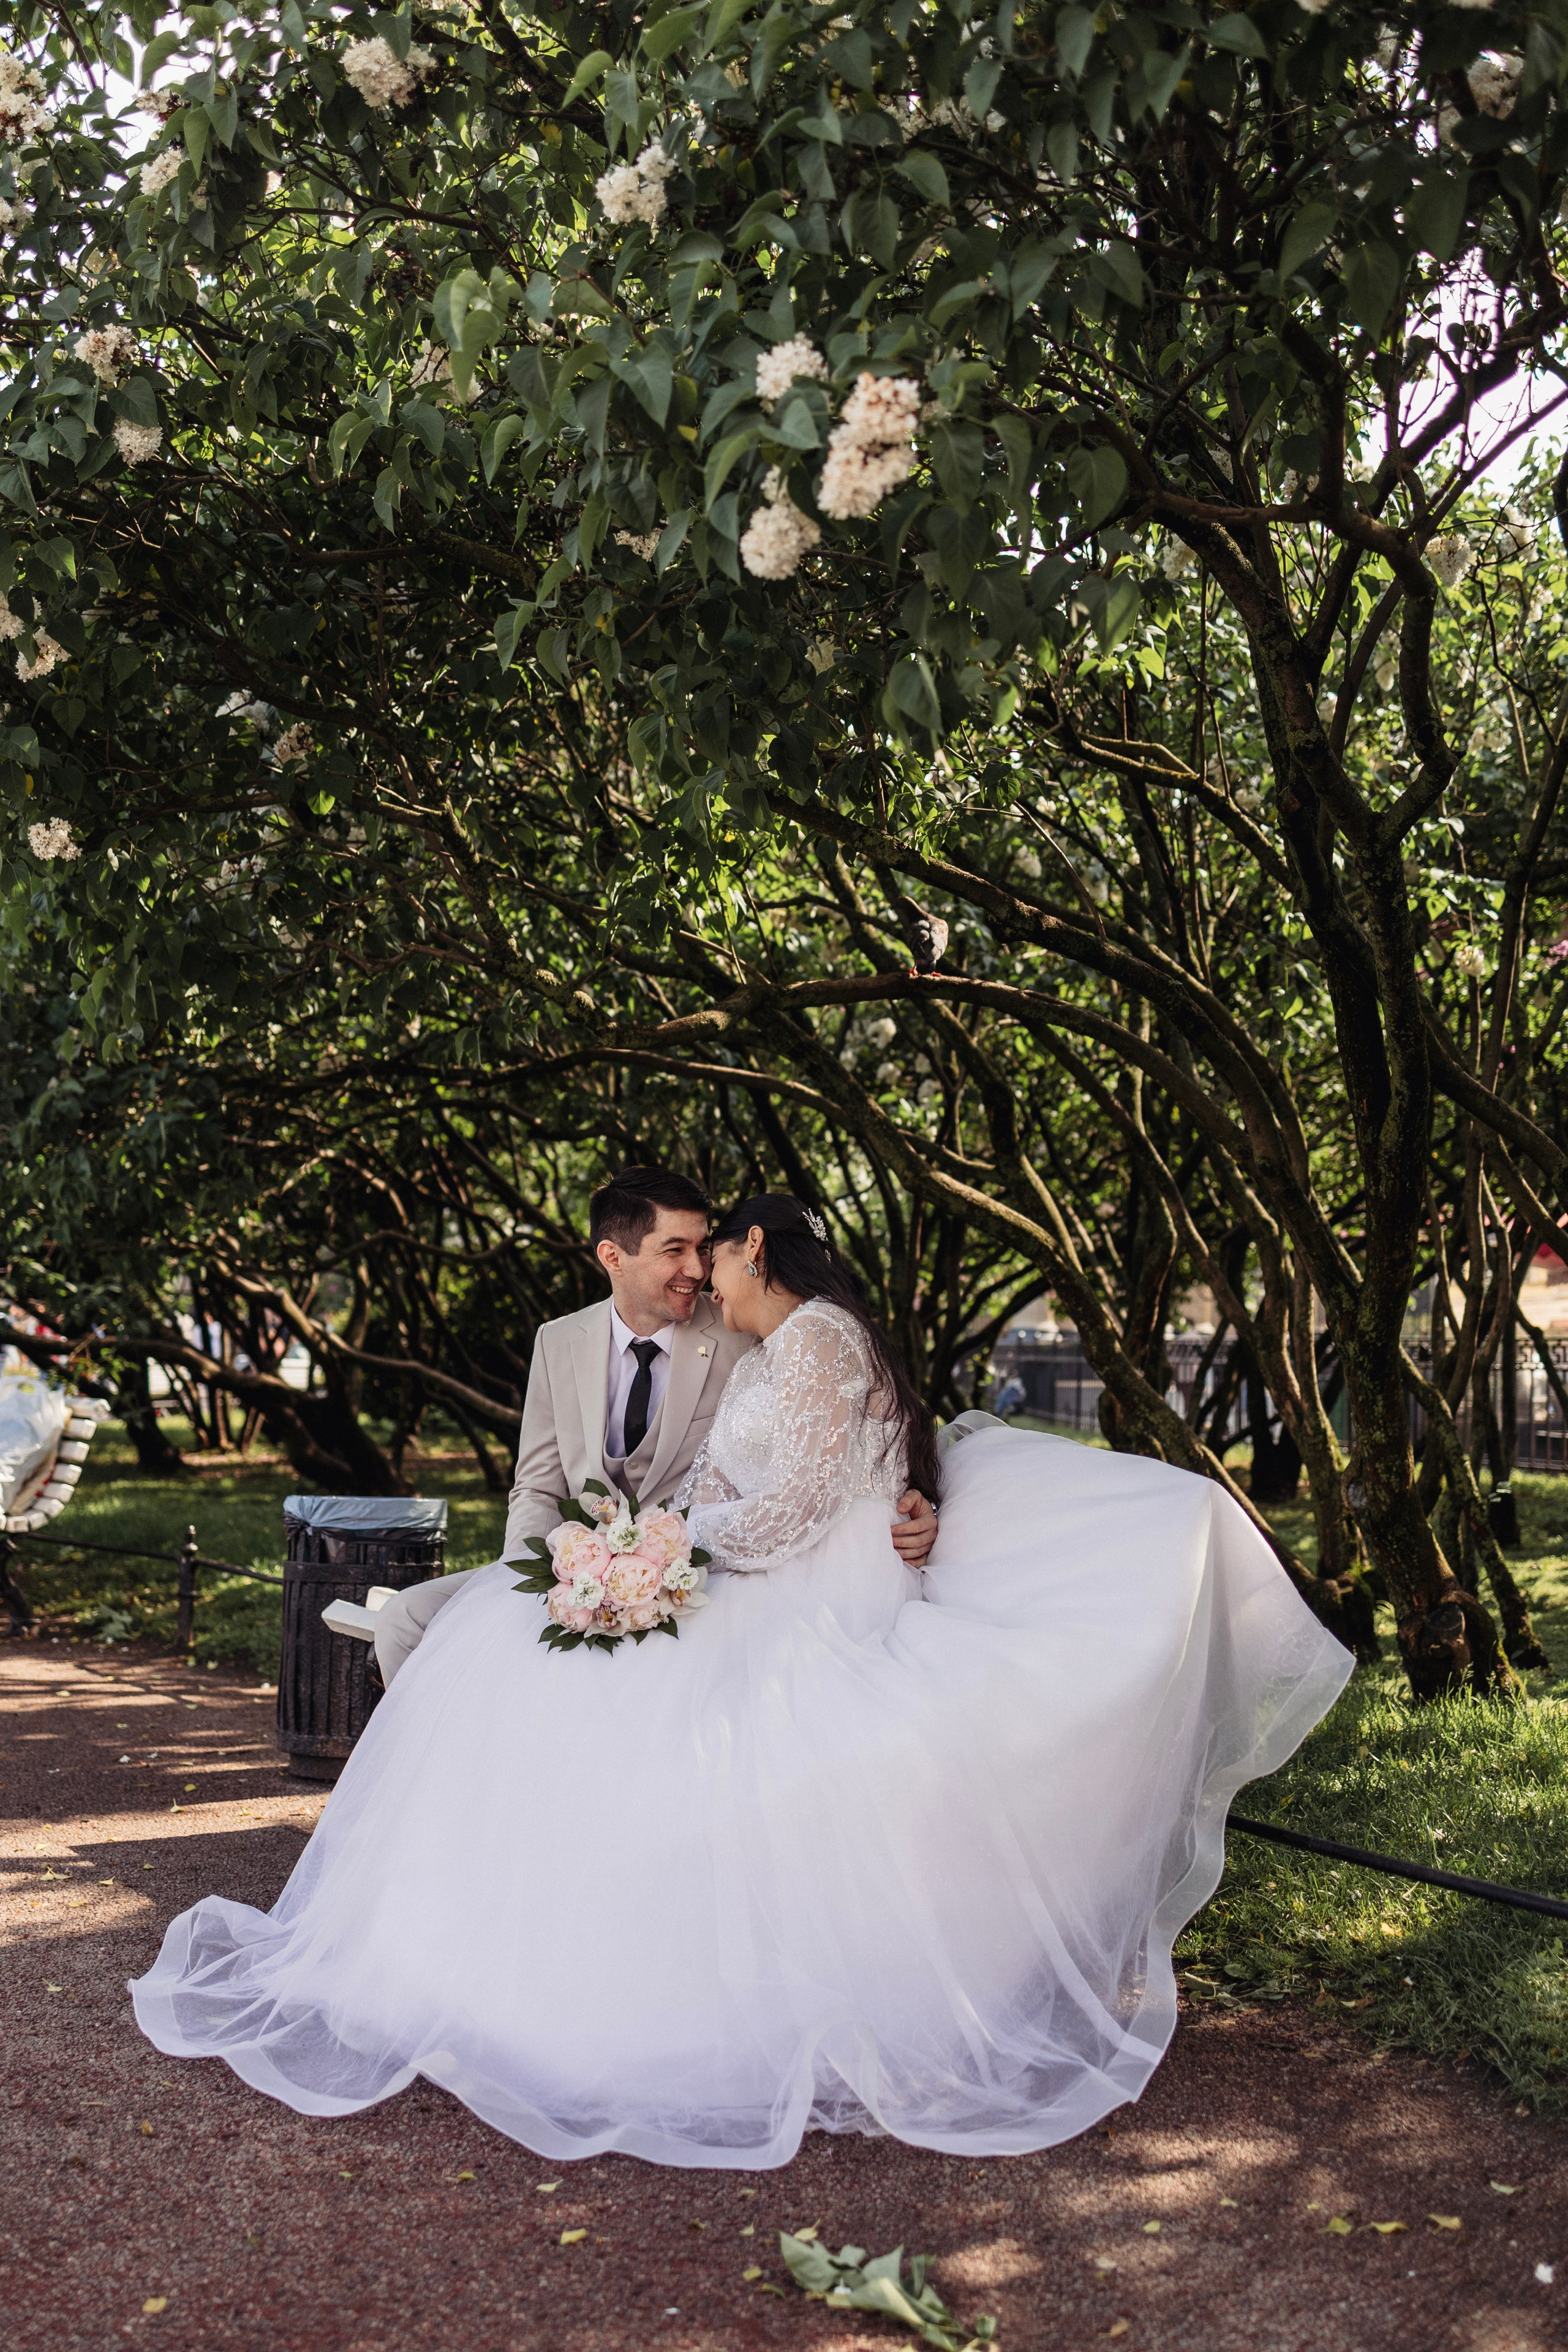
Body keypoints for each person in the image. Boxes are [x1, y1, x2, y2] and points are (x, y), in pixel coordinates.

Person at [130, 1194, 1351, 2168]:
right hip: (749, 1575)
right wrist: (646, 1546)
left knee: (587, 1693)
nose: (702, 1272)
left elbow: (805, 1507)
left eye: (714, 1251)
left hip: (818, 1602)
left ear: (757, 1247)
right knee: (513, 1657)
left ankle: (594, 1992)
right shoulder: (772, 1347)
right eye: (683, 1252)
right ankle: (498, 1964)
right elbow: (724, 1492)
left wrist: (662, 1553)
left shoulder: (816, 1336)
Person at [371, 1166, 938, 1686]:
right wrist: (540, 1580)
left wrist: (914, 1493)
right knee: (403, 1621)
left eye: (703, 1248)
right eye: (675, 1250)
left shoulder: (753, 1325)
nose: (696, 1269)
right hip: (578, 1571)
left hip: (703, 1583)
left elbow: (866, 1416)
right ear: (613, 1257)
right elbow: (539, 1485)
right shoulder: (559, 1341)